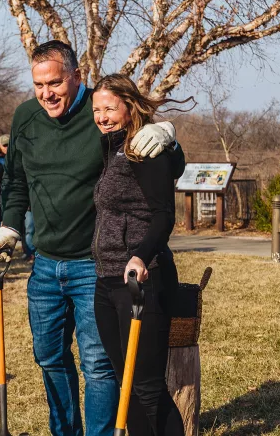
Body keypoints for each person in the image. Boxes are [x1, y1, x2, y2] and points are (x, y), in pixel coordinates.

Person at [0, 40, 178, 436]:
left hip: (94, 264)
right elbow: (16, 181)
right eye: (38, 85)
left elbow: (159, 162)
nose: (46, 93)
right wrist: (9, 227)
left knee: (98, 364)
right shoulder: (25, 117)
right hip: (44, 262)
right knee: (49, 356)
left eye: (54, 82)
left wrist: (167, 134)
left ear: (77, 76)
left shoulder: (100, 110)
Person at [91, 74, 185, 435]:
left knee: (147, 388)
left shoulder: (144, 148)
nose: (102, 116)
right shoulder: (111, 148)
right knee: (125, 385)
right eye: (97, 109)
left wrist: (141, 256)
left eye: (110, 108)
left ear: (130, 108)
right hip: (106, 280)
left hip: (141, 280)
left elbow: (164, 215)